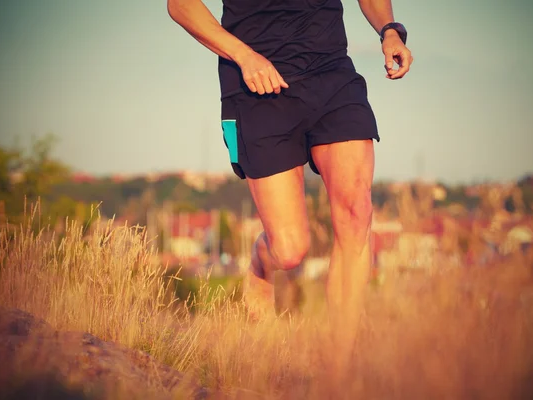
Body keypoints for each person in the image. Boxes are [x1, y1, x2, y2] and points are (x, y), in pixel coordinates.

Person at [168, 0, 413, 381]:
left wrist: (389, 30)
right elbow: (180, 5)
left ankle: (338, 374)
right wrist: (244, 57)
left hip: (332, 75)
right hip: (255, 84)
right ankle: (263, 258)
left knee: (356, 214)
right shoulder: (248, 66)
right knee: (291, 249)